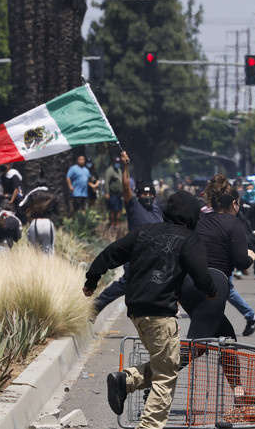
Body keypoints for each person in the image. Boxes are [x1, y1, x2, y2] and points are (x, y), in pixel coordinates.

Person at [83, 191, 218, 428]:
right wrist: (211, 290)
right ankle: (148, 425)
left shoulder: (143, 232)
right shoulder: (189, 238)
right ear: (192, 215)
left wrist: (91, 281)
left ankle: (125, 381)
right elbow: (201, 274)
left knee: (165, 363)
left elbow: (110, 253)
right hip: (160, 314)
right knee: (166, 375)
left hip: (136, 311)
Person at [92, 151, 164, 315]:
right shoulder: (133, 207)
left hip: (154, 258)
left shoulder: (157, 209)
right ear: (138, 196)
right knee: (125, 285)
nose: (147, 196)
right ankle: (94, 308)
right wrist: (125, 166)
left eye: (150, 194)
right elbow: (125, 187)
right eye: (143, 194)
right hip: (136, 257)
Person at [195, 175, 255, 337]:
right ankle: (251, 316)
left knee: (218, 335)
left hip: (197, 279)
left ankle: (251, 316)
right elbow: (241, 261)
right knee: (205, 337)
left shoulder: (200, 217)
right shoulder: (232, 223)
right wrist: (251, 256)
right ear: (233, 203)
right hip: (214, 279)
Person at [22, 187, 57, 255]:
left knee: (34, 250)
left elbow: (23, 206)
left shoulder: (33, 195)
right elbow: (57, 211)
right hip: (47, 223)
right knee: (48, 251)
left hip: (35, 223)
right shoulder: (52, 197)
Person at [104, 157, 125, 233]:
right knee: (112, 210)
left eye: (119, 162)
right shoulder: (109, 170)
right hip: (112, 194)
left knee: (119, 210)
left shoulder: (119, 170)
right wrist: (107, 193)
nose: (117, 163)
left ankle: (117, 224)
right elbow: (106, 182)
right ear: (113, 162)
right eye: (116, 162)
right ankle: (112, 224)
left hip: (120, 194)